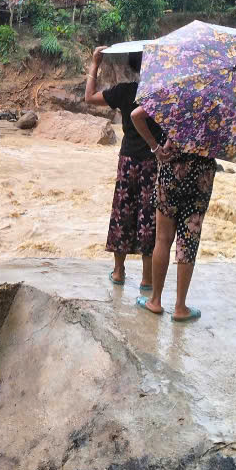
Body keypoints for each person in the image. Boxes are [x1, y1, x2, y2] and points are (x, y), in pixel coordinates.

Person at [84, 45, 162, 291]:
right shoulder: (160, 92)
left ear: (131, 66)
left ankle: (119, 271)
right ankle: (147, 279)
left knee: (122, 212)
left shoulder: (125, 91)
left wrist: (95, 63)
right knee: (149, 217)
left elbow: (89, 98)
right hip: (154, 160)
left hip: (128, 160)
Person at [131, 107, 214, 324]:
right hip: (201, 178)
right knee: (188, 241)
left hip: (171, 170)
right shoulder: (220, 101)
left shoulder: (175, 92)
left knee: (162, 239)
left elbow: (135, 115)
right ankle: (180, 307)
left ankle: (155, 301)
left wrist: (155, 147)